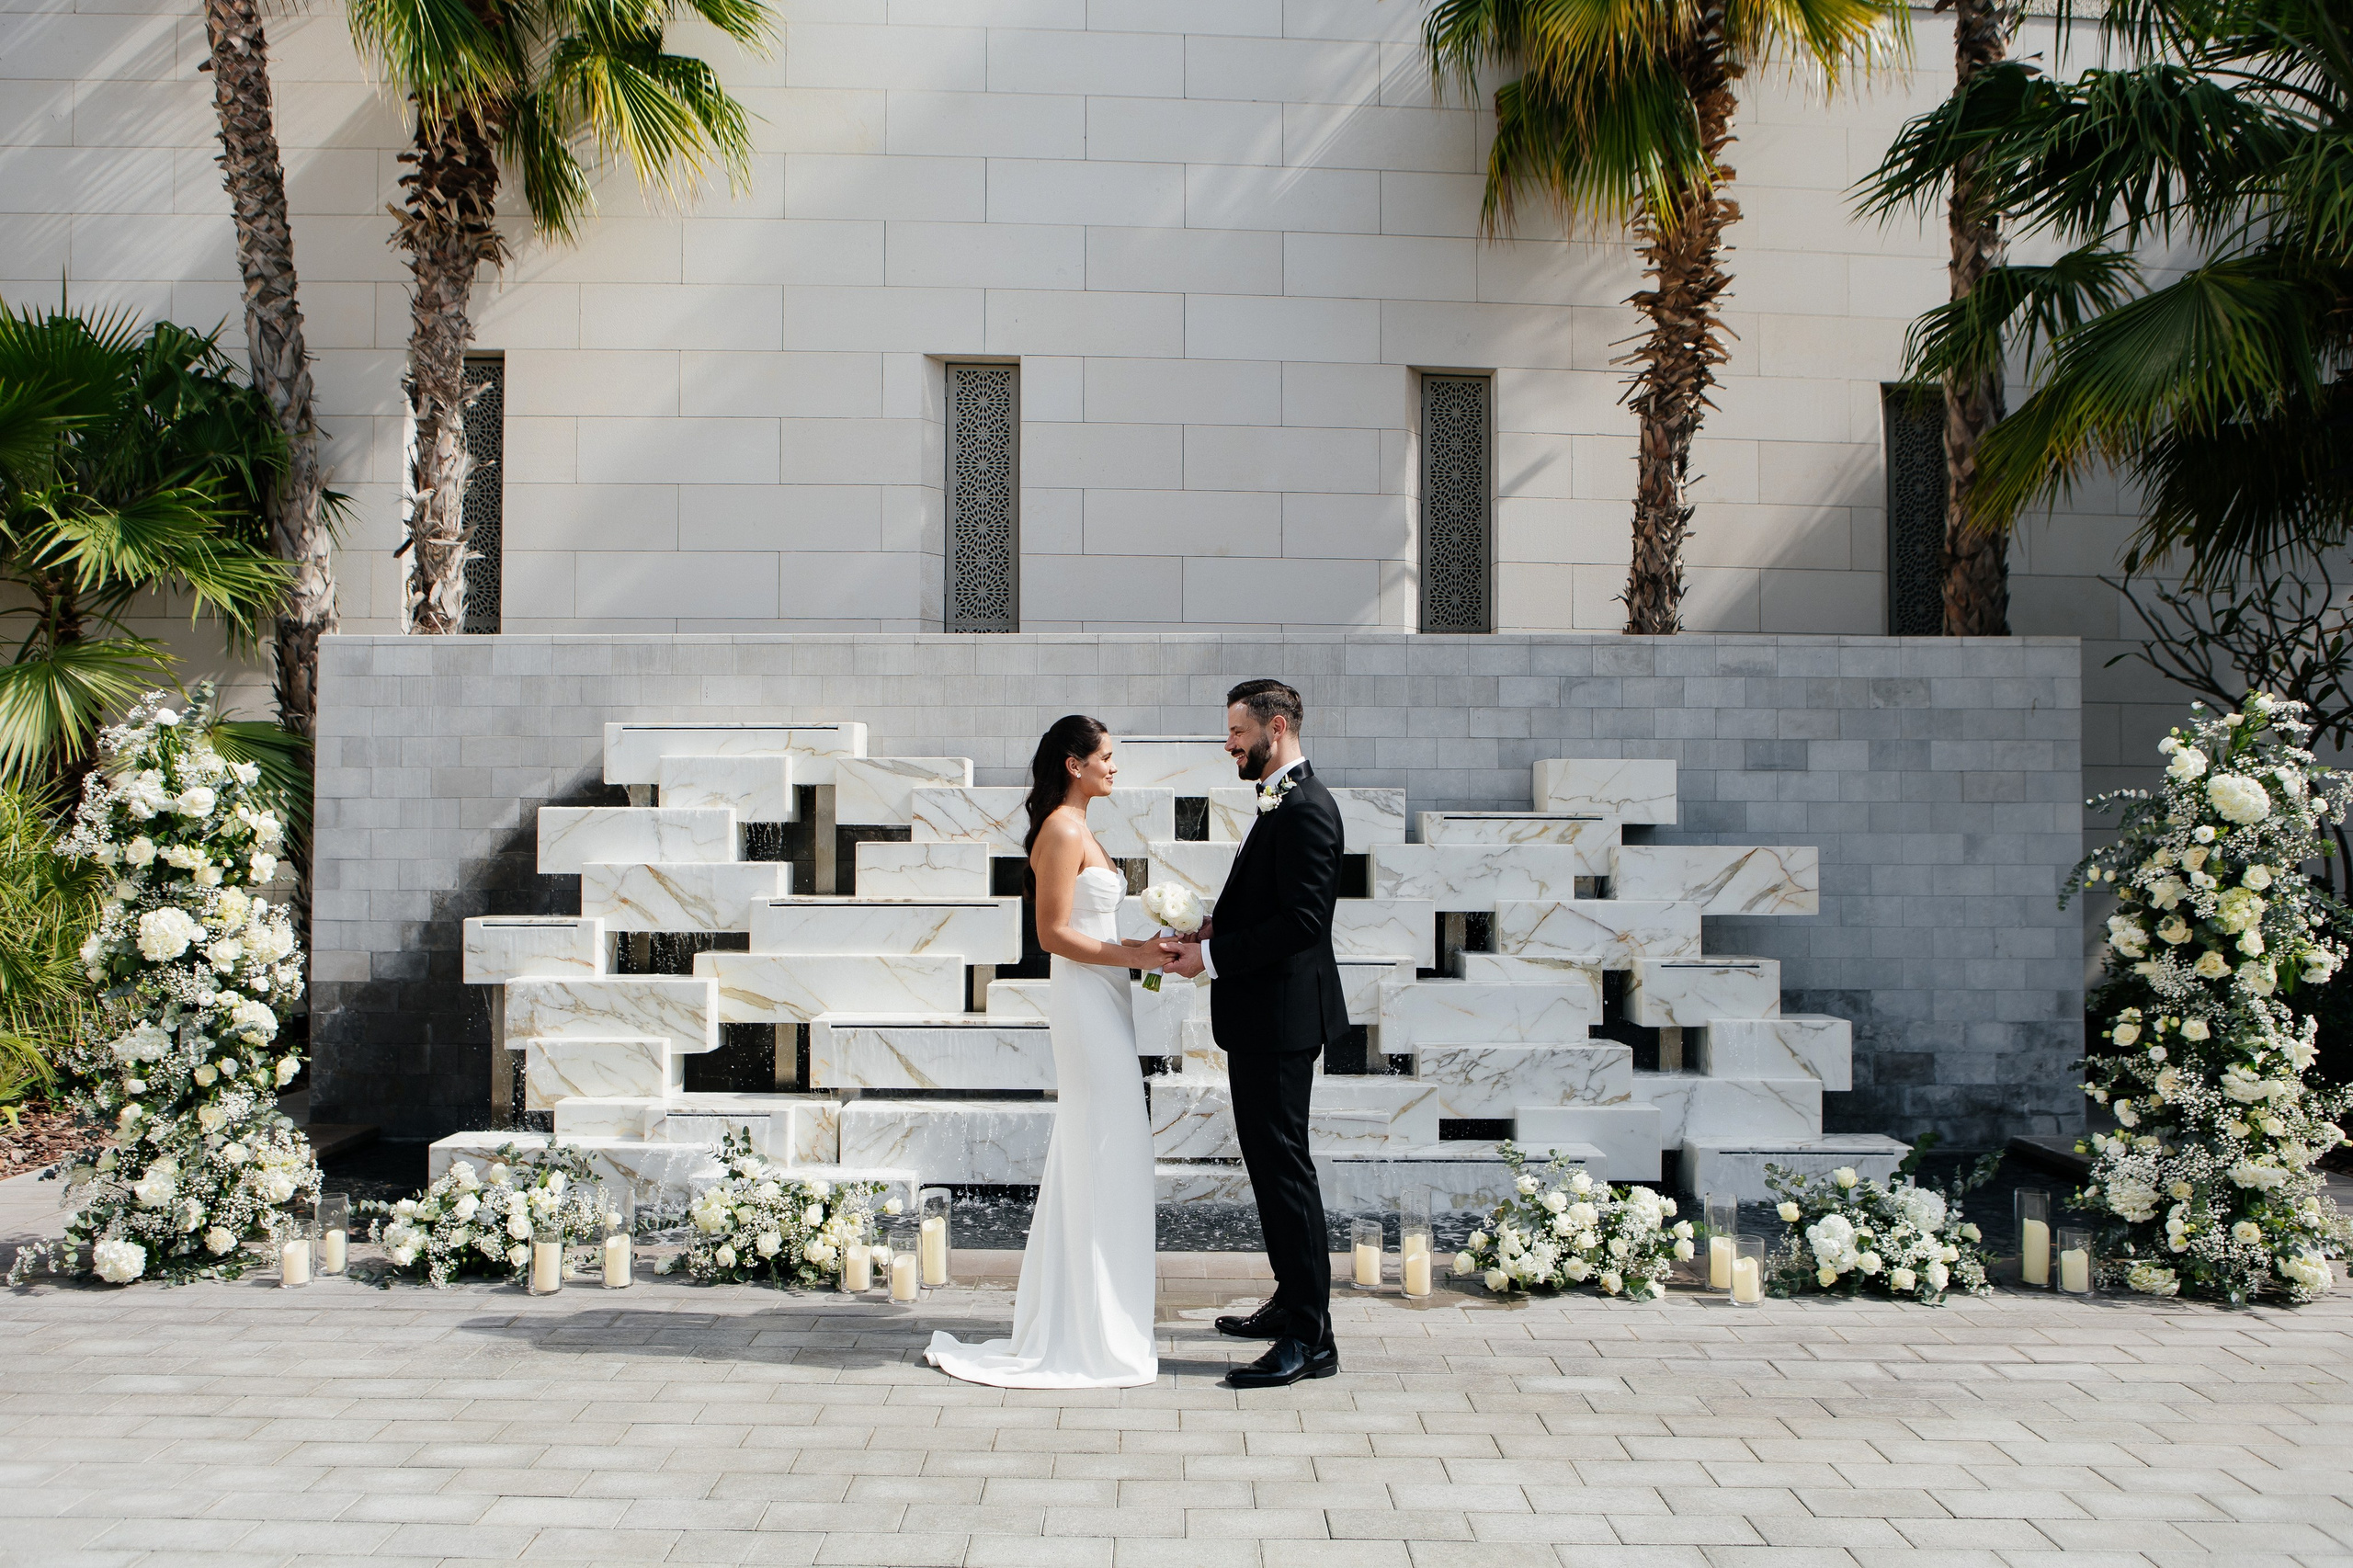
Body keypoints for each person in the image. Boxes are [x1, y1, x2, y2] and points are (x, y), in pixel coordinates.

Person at [925, 716, 1168, 1389]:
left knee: (1108, 1147)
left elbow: (1092, 927)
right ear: (1073, 763)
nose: (1115, 768)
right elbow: (1054, 935)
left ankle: (1098, 1315)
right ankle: (1089, 1331)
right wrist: (1136, 953)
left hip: (1106, 997)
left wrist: (1150, 955)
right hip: (1085, 1005)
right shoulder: (1062, 829)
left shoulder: (1083, 826)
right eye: (1107, 758)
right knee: (1106, 1143)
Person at [1162, 679, 1348, 1389]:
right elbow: (1271, 905)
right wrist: (1212, 930)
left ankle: (1311, 1339)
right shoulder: (1280, 801)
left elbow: (1304, 924)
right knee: (1271, 1172)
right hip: (1263, 1019)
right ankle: (1291, 1302)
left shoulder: (1306, 809)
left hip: (1281, 1022)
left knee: (1286, 1174)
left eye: (1236, 733)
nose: (1229, 745)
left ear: (1275, 726)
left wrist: (1208, 958)